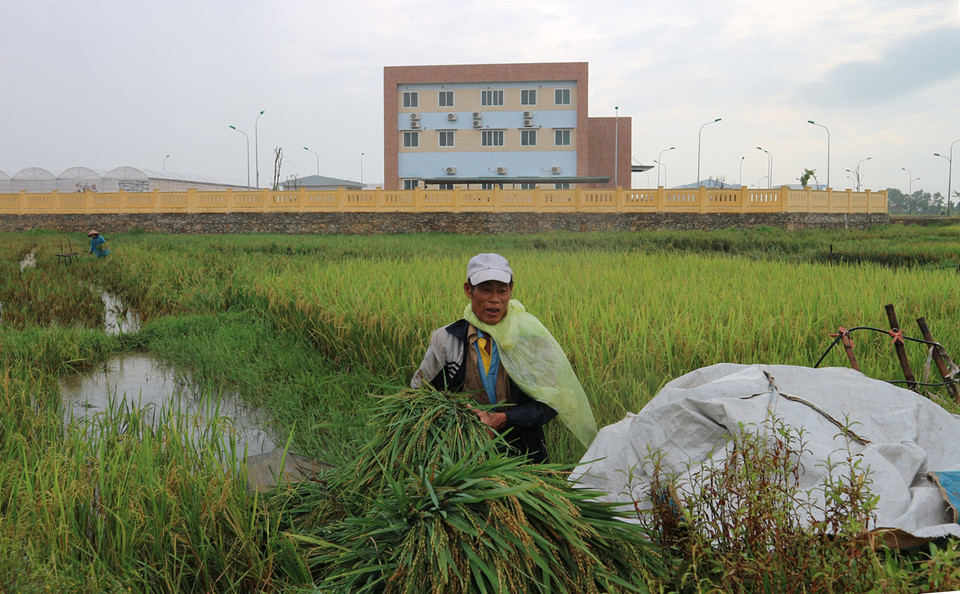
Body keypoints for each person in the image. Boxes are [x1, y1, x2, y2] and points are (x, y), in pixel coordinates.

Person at [411, 253, 597, 463]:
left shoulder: (531, 339)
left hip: (525, 453)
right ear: (468, 290)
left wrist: (503, 419)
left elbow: (552, 404)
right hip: (462, 455)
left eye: (502, 290)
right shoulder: (446, 340)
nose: (495, 298)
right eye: (486, 289)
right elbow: (420, 395)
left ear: (511, 291)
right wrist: (460, 412)